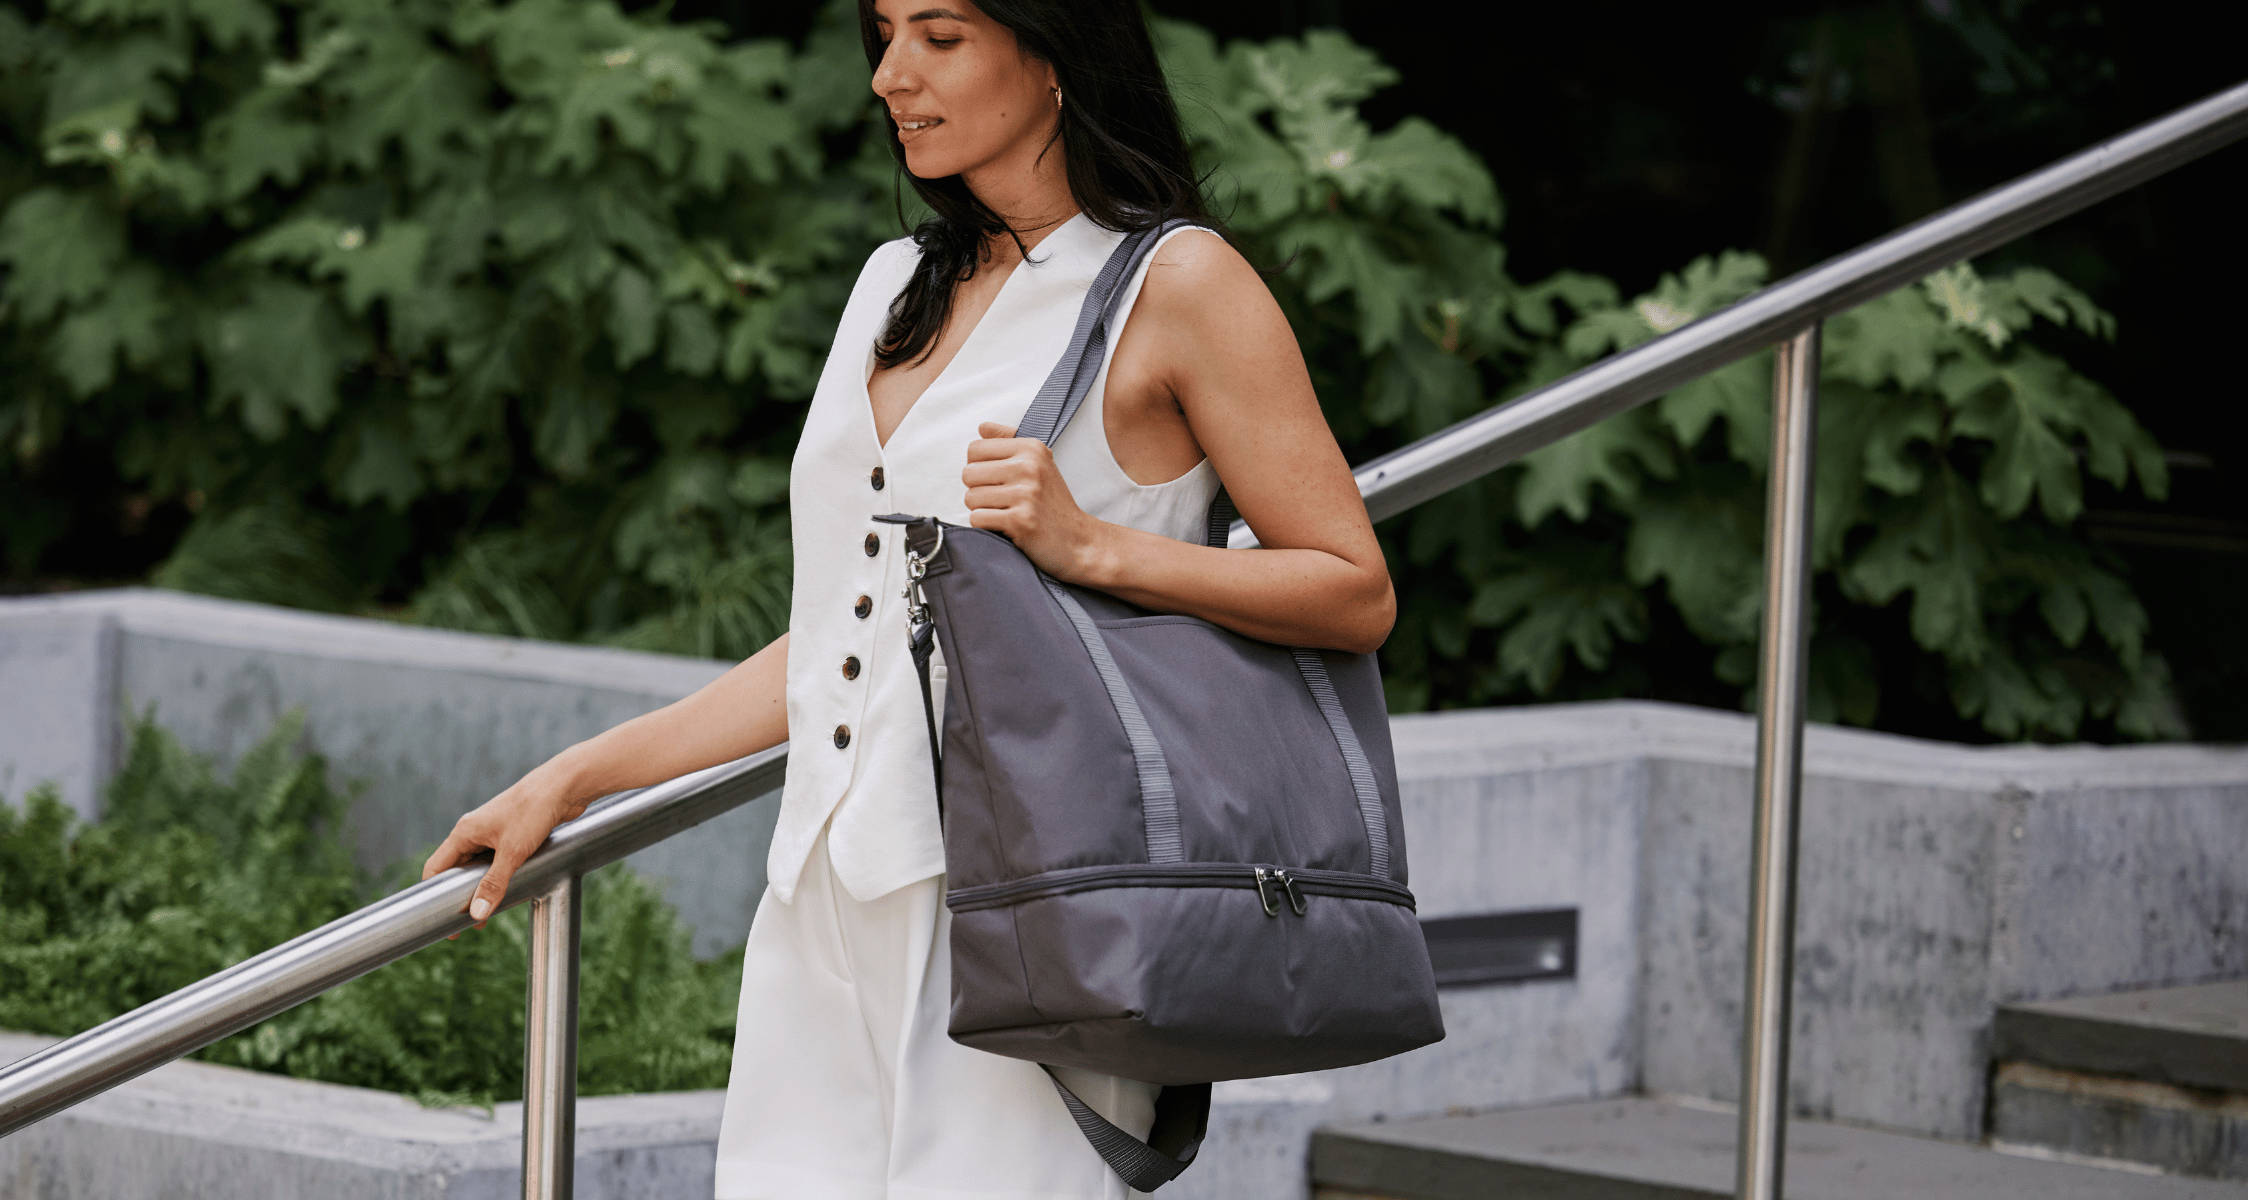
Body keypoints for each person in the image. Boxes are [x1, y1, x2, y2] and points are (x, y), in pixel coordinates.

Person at [419, 0, 1393, 1194]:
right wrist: (574, 779)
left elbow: (1350, 589)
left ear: (1054, 57)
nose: (890, 75)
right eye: (883, 33)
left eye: (938, 36)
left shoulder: (1177, 281)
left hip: (1042, 907)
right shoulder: (897, 284)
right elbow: (848, 635)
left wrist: (1091, 546)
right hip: (824, 894)